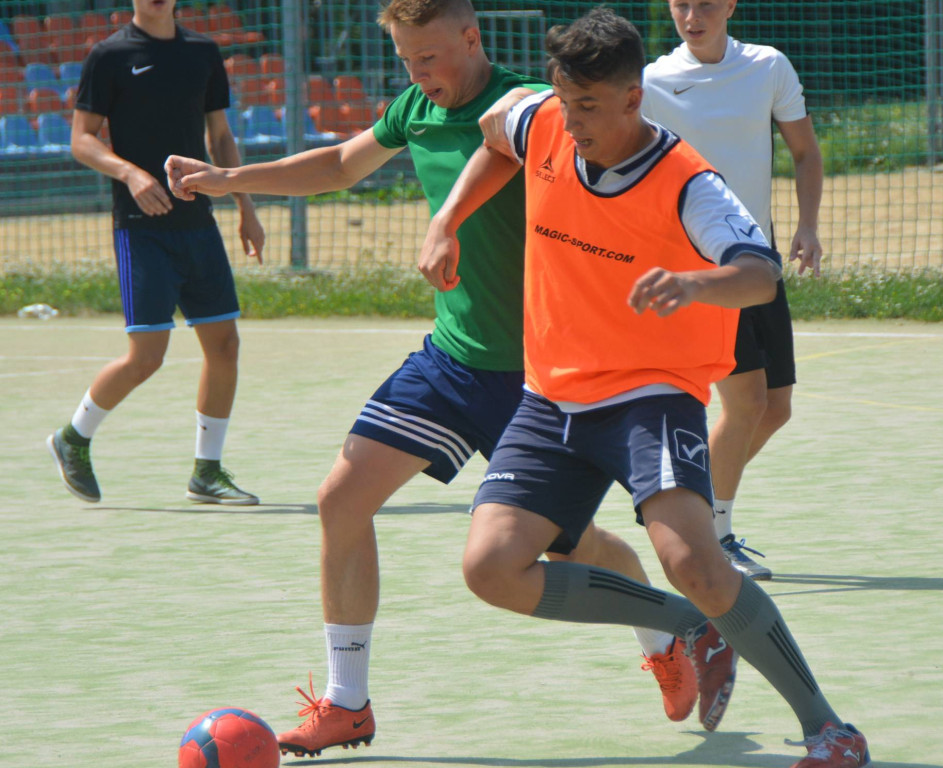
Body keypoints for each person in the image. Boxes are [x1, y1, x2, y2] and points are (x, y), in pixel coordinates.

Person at [165, 0, 707, 755]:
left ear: (472, 37)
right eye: (405, 60)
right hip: (453, 360)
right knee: (340, 498)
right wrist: (228, 178)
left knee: (574, 549)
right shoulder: (415, 109)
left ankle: (662, 632)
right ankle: (347, 702)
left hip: (543, 377)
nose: (416, 74)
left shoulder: (531, 108)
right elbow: (339, 165)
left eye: (428, 58)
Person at [421, 9, 868, 767]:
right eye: (565, 101)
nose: (572, 120)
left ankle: (828, 726)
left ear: (634, 99)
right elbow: (500, 138)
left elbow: (760, 275)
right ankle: (691, 626)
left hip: (649, 394)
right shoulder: (545, 122)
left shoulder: (688, 181)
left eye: (589, 106)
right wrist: (448, 219)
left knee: (694, 560)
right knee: (490, 568)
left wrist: (697, 282)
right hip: (552, 394)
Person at [46, 0, 264, 506]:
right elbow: (82, 139)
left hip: (198, 224)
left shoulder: (203, 52)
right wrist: (130, 173)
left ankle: (206, 473)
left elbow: (221, 136)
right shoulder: (109, 55)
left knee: (224, 345)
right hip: (141, 228)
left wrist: (244, 206)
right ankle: (72, 438)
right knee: (147, 355)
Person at [641, 0, 826, 580]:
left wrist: (808, 226)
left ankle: (688, 510)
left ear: (729, 6)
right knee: (744, 403)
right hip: (702, 270)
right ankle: (711, 537)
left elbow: (804, 151)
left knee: (776, 407)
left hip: (760, 261)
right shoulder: (651, 82)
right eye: (679, 4)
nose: (691, 15)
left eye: (703, 4)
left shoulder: (768, 66)